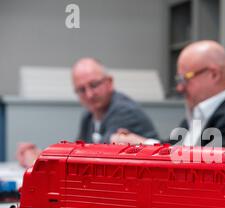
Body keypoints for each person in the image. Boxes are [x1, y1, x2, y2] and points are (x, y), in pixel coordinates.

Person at [111, 40, 225, 148]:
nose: (180, 88)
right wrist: (140, 143)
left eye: (185, 79)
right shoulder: (202, 111)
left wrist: (145, 145)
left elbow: (200, 165)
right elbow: (177, 147)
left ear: (214, 74)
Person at [16, 58, 158, 167]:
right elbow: (76, 154)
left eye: (94, 85)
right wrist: (41, 156)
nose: (89, 94)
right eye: (81, 90)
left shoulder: (124, 111)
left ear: (109, 82)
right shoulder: (89, 115)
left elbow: (96, 160)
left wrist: (40, 162)